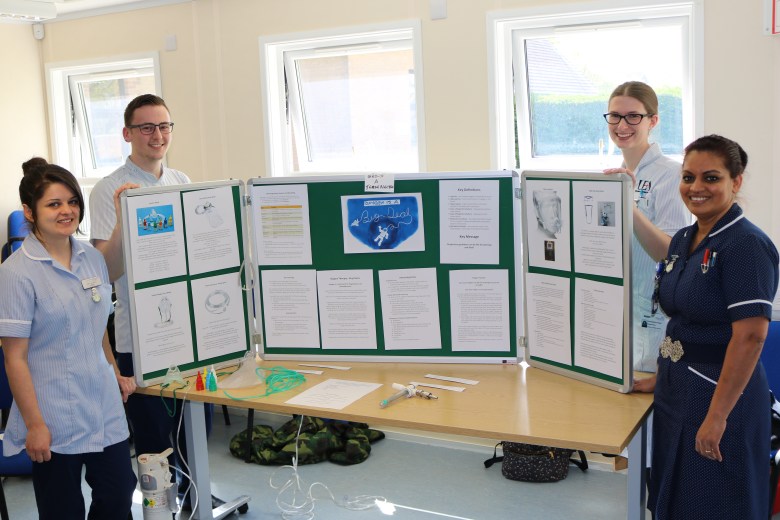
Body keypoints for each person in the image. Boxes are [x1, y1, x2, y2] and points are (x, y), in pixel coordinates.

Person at [633, 135, 778, 519]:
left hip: (721, 396)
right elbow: (682, 319)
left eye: (711, 178)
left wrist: (717, 417)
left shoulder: (747, 245)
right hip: (676, 389)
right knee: (674, 496)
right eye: (688, 177)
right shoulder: (684, 238)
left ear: (736, 182)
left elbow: (751, 336)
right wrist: (660, 375)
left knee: (714, 502)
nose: (696, 188)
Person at [89, 94, 217, 507]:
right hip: (139, 338)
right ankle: (160, 507)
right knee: (153, 436)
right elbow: (106, 273)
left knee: (195, 425)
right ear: (127, 133)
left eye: (164, 126)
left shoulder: (180, 180)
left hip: (186, 332)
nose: (157, 135)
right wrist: (126, 216)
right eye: (146, 127)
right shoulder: (109, 190)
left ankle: (195, 497)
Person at [0, 158, 137, 519]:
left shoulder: (91, 258)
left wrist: (115, 371)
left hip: (102, 401)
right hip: (52, 409)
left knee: (119, 492)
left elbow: (96, 326)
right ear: (29, 212)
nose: (67, 211)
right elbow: (14, 357)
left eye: (72, 201)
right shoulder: (17, 272)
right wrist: (34, 425)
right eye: (54, 204)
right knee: (63, 509)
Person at [602, 81, 690, 372]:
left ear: (653, 120)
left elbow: (669, 252)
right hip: (612, 309)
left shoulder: (672, 174)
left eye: (633, 116)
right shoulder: (611, 176)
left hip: (650, 314)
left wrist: (629, 204)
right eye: (614, 115)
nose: (622, 124)